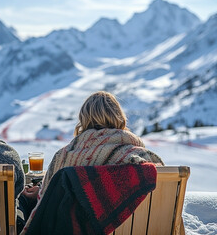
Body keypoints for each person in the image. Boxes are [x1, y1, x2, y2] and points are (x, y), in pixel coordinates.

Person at [20, 91, 164, 234]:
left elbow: (48, 203)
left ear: (83, 120)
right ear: (119, 118)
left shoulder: (65, 157)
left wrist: (40, 192)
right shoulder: (144, 160)